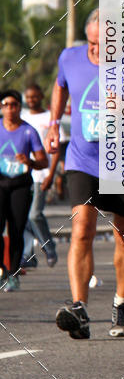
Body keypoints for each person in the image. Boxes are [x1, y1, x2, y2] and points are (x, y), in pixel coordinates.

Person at [45, 9, 124, 339]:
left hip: (123, 157)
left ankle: (121, 304)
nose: (98, 51)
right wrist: (54, 124)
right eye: (93, 43)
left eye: (105, 44)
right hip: (82, 158)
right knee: (81, 229)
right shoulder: (70, 57)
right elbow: (59, 87)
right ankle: (79, 307)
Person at [0, 89, 48, 291]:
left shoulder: (28, 131)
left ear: (20, 107)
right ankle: (2, 269)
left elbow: (43, 161)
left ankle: (14, 274)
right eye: (6, 105)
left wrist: (28, 161)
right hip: (0, 184)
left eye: (14, 105)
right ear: (1, 108)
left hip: (21, 184)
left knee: (17, 229)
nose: (10, 109)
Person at [20, 83, 66, 268]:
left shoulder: (50, 118)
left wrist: (51, 174)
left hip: (42, 173)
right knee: (21, 216)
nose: (31, 100)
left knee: (34, 215)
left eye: (34, 96)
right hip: (22, 174)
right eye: (28, 97)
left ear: (41, 97)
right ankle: (28, 256)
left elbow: (57, 148)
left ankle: (49, 247)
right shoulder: (21, 118)